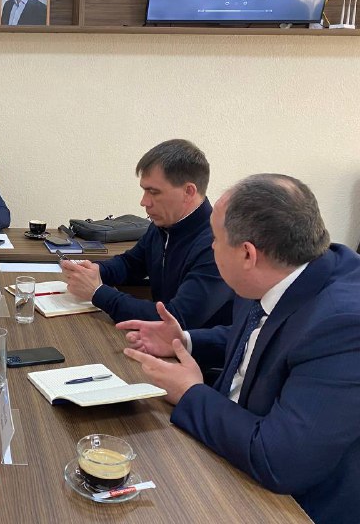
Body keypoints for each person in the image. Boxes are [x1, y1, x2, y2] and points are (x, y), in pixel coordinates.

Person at [117, 174, 360, 524]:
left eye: (215, 239)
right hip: (229, 444)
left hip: (293, 503)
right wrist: (184, 340)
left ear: (248, 254)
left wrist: (189, 392)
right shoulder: (277, 274)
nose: (211, 247)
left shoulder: (344, 325)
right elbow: (260, 337)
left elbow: (281, 461)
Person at [61, 139, 233, 329]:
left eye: (154, 192)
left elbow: (175, 320)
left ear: (188, 191)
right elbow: (130, 264)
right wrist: (95, 271)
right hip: (158, 341)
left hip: (194, 346)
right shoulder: (164, 225)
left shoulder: (217, 245)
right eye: (145, 191)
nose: (144, 202)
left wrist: (97, 293)